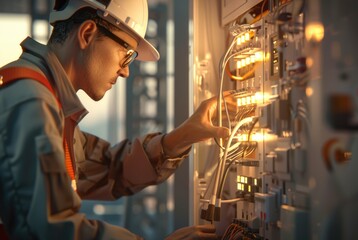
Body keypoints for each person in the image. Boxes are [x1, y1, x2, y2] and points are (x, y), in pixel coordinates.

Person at [0, 0, 230, 239]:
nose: (126, 71)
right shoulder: (30, 102)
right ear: (87, 34)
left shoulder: (47, 101)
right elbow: (50, 230)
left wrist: (184, 136)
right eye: (127, 55)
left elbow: (108, 168)